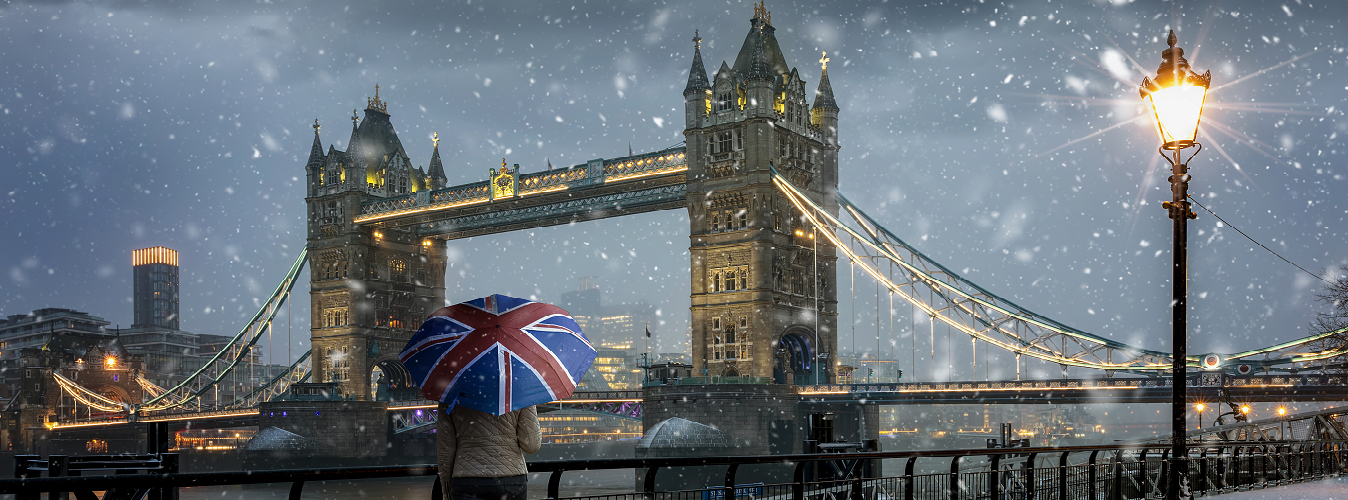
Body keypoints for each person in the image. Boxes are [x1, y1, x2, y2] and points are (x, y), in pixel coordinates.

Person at [437, 402, 542, 500]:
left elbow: (446, 447)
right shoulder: (519, 388)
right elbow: (531, 446)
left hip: (466, 481)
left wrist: (446, 488)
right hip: (510, 480)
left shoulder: (450, 390)